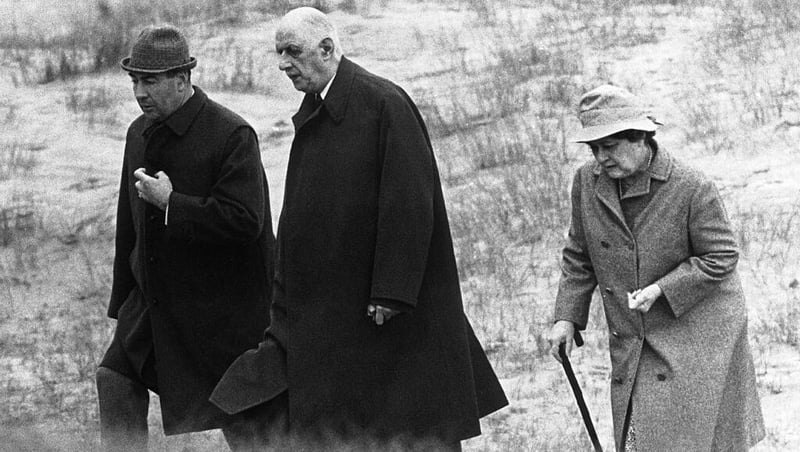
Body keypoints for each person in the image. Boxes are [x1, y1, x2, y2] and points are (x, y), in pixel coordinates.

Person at [210, 6, 508, 450]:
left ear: (327, 49)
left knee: (413, 426)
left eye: (292, 51)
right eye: (278, 53)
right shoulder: (315, 108)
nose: (282, 64)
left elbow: (410, 202)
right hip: (329, 311)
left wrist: (392, 291)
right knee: (253, 402)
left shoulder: (382, 102)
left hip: (387, 312)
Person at [548, 84, 765, 451]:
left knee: (686, 438)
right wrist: (567, 317)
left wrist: (663, 288)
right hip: (634, 336)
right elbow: (579, 254)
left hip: (695, 336)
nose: (601, 158)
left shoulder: (692, 187)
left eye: (610, 147)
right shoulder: (587, 183)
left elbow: (722, 256)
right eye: (595, 149)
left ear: (640, 138)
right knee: (642, 435)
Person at [96, 24, 275, 451]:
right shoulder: (137, 133)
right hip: (153, 306)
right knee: (115, 379)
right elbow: (130, 226)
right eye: (135, 80)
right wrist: (123, 303)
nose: (140, 92)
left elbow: (245, 221)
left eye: (151, 82)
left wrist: (173, 204)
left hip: (219, 315)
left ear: (182, 79)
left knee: (246, 424)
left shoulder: (231, 135)